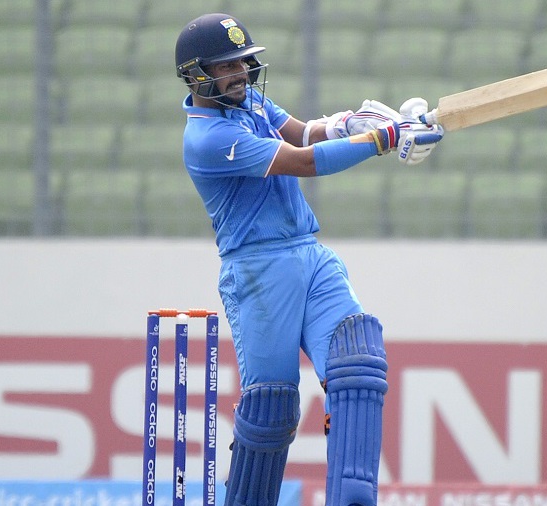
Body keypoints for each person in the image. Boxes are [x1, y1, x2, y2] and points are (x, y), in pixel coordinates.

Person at [173, 13, 444, 506]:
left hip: (309, 254)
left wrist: (350, 123)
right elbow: (302, 162)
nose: (239, 74)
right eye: (226, 66)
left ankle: (353, 499)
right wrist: (382, 139)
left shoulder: (248, 99)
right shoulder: (206, 139)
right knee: (272, 411)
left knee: (357, 363)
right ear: (196, 74)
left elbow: (302, 133)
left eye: (242, 63)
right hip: (257, 272)